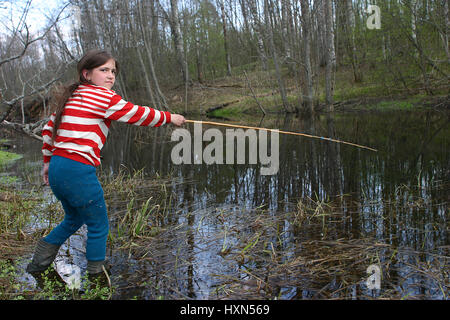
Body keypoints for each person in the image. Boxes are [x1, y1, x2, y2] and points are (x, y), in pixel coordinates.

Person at [26, 50, 186, 279]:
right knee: (98, 225)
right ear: (87, 74)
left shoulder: (70, 98)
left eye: (113, 71)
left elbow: (49, 130)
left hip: (58, 169)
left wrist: (47, 163)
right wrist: (170, 118)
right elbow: (137, 114)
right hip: (77, 169)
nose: (110, 76)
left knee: (73, 219)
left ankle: (38, 266)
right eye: (104, 70)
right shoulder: (103, 97)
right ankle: (97, 277)